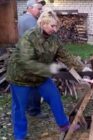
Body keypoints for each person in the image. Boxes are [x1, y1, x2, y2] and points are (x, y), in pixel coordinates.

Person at [7, 9, 83, 140]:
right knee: (19, 108)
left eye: (56, 26)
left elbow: (66, 56)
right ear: (43, 23)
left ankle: (64, 124)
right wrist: (51, 70)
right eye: (52, 26)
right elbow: (27, 63)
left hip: (40, 77)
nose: (55, 29)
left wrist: (82, 68)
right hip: (21, 78)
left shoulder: (54, 40)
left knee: (54, 96)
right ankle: (20, 136)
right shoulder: (29, 37)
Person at [18, 0, 47, 118]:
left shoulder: (21, 18)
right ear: (30, 8)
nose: (40, 11)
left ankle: (27, 107)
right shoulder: (31, 21)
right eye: (38, 9)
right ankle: (34, 110)